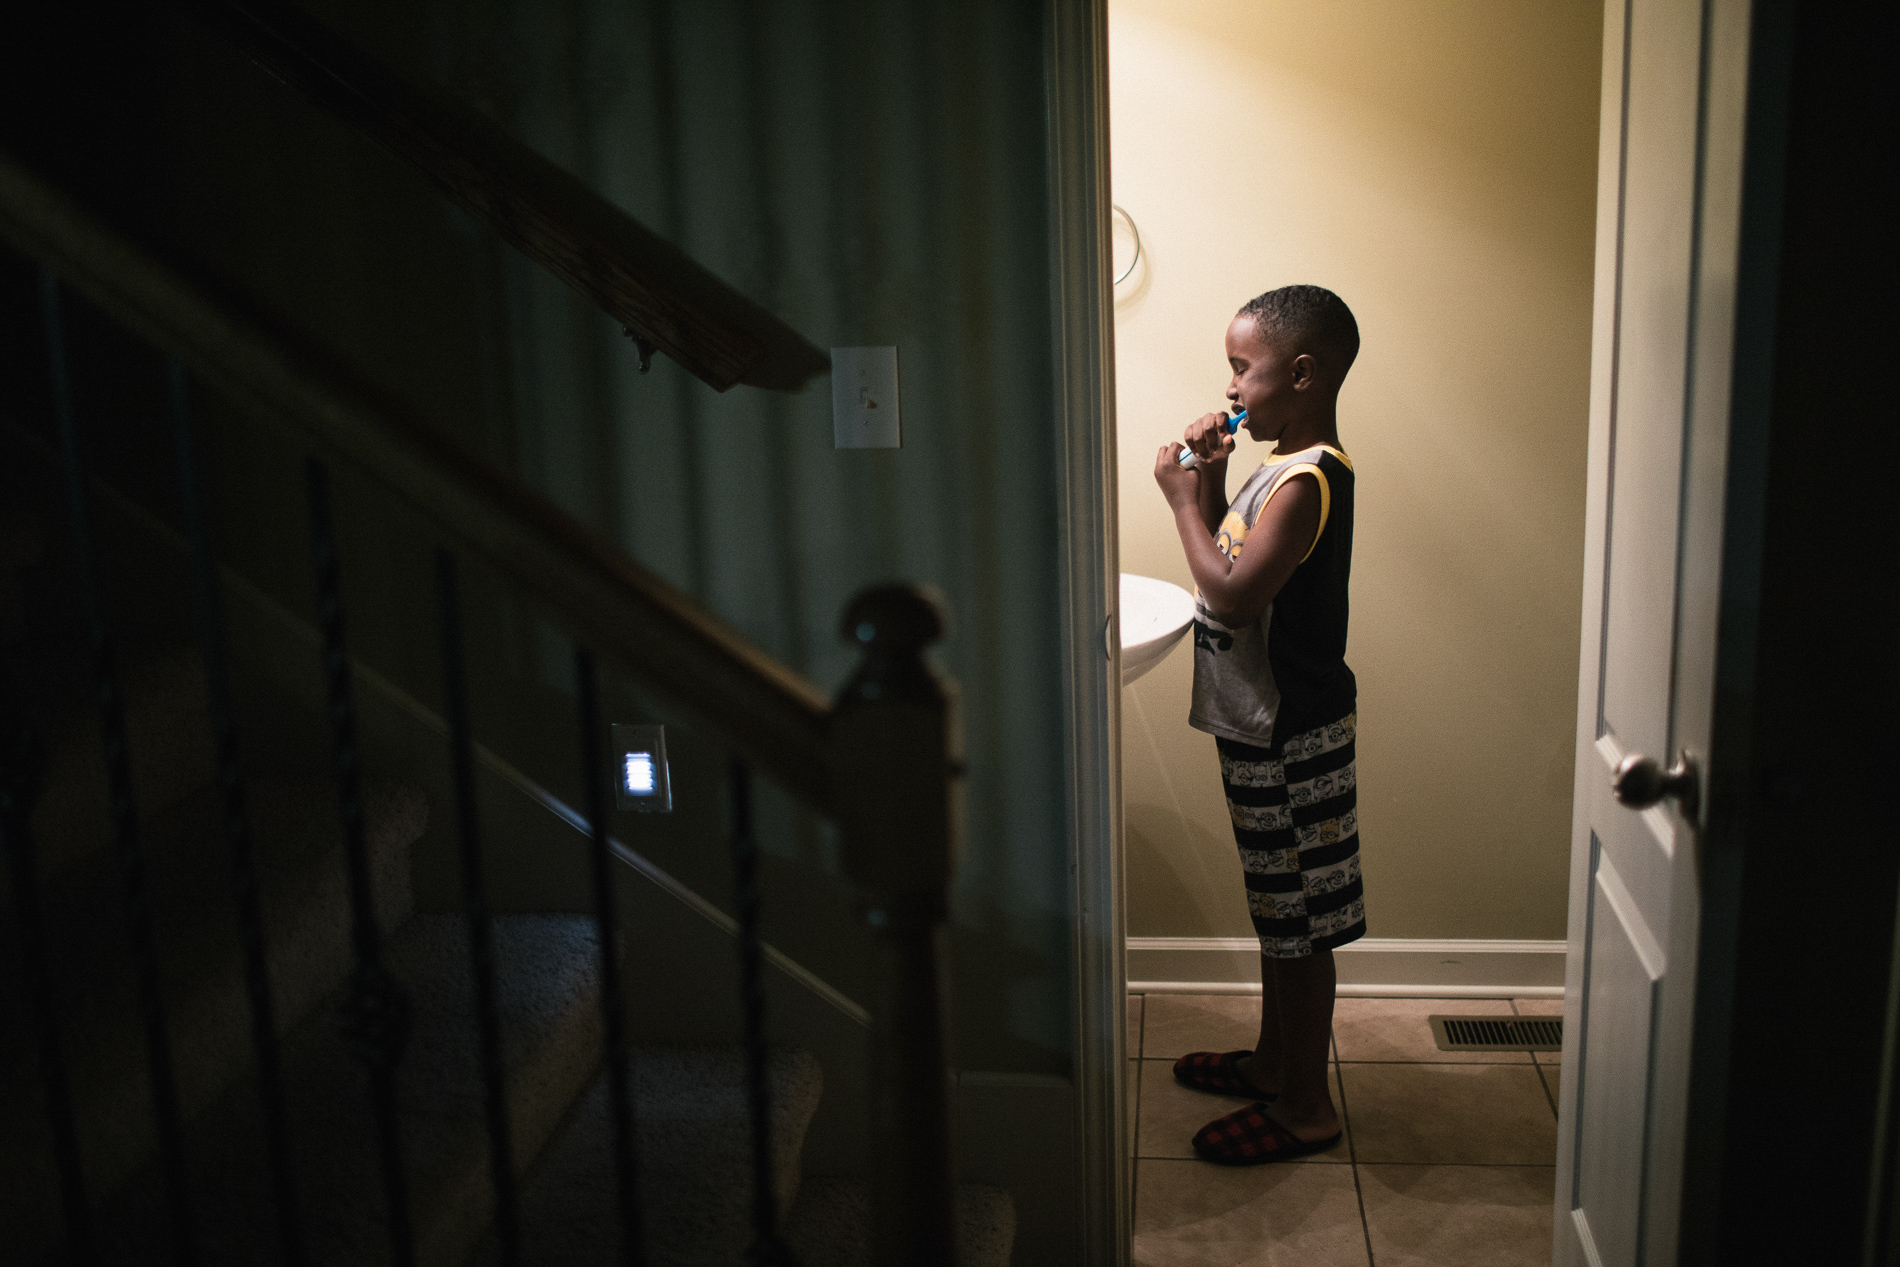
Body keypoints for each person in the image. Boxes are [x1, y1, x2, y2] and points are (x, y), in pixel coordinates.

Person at [1151, 284, 1365, 1164]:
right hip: (1261, 727)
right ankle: (1277, 1064)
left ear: (1303, 372)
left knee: (1302, 925)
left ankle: (1307, 1106)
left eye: (1243, 366)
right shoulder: (1277, 470)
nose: (1231, 387)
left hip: (1295, 734)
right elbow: (1225, 553)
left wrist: (1175, 498)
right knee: (1280, 914)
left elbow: (1231, 597)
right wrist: (1204, 475)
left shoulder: (1310, 480)